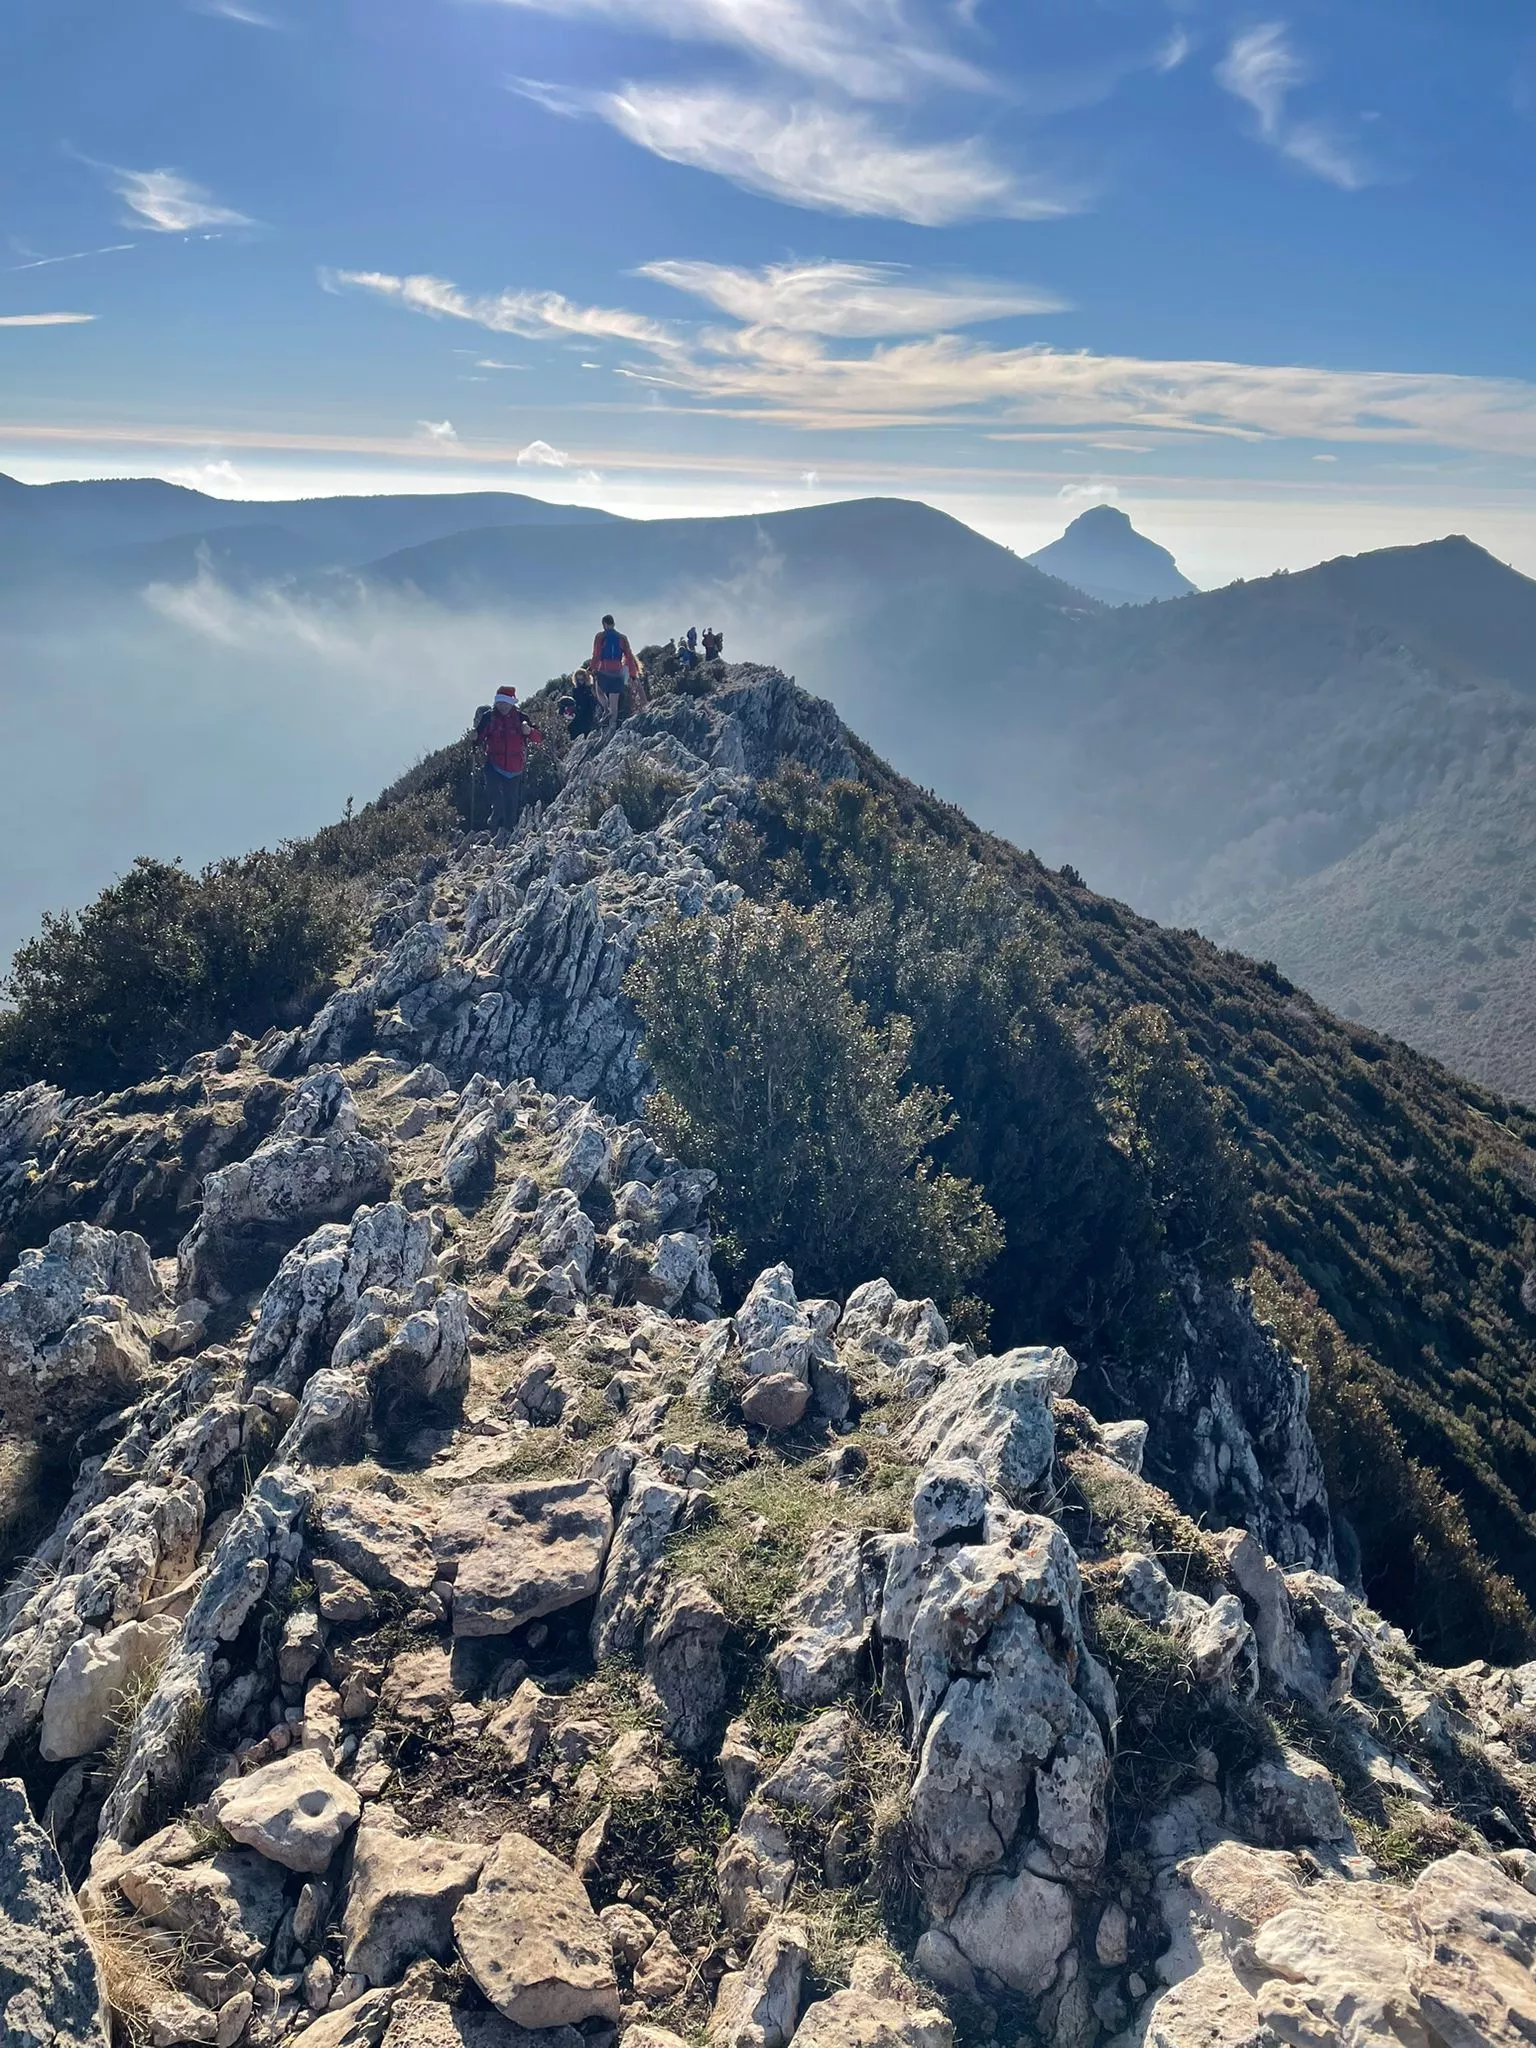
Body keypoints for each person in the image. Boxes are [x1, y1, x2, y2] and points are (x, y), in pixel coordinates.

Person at [475, 684, 542, 832]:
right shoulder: (489, 717)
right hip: (493, 764)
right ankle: (495, 822)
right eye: (500, 703)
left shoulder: (521, 718)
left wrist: (529, 731)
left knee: (511, 803)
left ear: (512, 703)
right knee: (496, 797)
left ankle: (507, 833)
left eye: (505, 703)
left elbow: (538, 737)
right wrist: (475, 738)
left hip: (515, 767)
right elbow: (478, 737)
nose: (502, 706)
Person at [590, 613, 641, 728]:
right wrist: (633, 674)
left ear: (604, 624)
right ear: (613, 624)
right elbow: (629, 656)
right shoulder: (622, 638)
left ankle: (605, 709)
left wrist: (592, 668)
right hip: (617, 673)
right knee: (614, 703)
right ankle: (612, 726)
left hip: (604, 670)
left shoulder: (600, 636)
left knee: (599, 691)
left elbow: (596, 654)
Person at [558, 668, 601, 740]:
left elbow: (594, 700)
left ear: (586, 678)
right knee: (571, 728)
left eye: (582, 679)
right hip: (579, 712)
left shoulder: (590, 688)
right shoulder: (575, 690)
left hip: (589, 713)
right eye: (578, 680)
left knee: (582, 728)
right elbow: (575, 701)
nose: (581, 681)